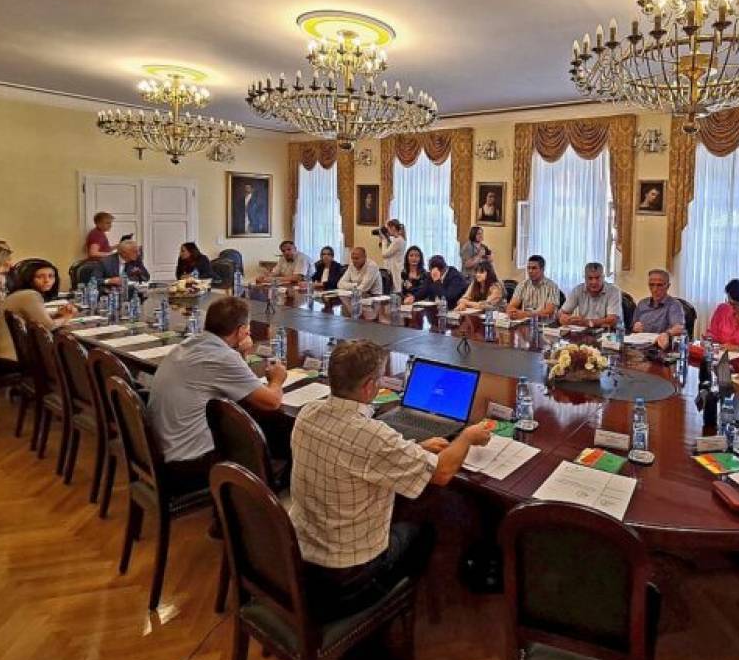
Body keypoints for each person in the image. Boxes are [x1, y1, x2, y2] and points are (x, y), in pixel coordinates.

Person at [289, 338, 492, 620]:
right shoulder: (372, 437)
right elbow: (443, 473)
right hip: (347, 579)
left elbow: (361, 455)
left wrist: (413, 450)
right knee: (424, 529)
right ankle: (390, 620)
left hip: (300, 557)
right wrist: (467, 436)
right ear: (369, 387)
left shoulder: (308, 413)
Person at [147, 297, 286, 491]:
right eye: (247, 328)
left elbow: (230, 379)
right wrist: (277, 379)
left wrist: (239, 352)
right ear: (240, 331)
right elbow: (272, 402)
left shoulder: (191, 343)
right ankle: (265, 497)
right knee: (272, 436)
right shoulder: (222, 356)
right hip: (187, 464)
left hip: (160, 450)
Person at [632, 269, 685, 349]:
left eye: (659, 285)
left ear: (668, 286)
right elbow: (633, 327)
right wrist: (635, 328)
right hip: (642, 346)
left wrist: (667, 334)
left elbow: (679, 328)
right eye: (651, 285)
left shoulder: (674, 305)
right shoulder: (642, 304)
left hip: (662, 348)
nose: (655, 289)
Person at [558, 262, 621, 329]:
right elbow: (562, 313)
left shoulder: (614, 291)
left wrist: (587, 322)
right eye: (590, 278)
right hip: (584, 331)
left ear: (603, 277)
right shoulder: (578, 290)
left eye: (597, 278)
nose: (594, 282)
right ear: (585, 278)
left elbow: (612, 321)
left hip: (609, 332)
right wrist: (564, 318)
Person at [505, 254, 560, 320]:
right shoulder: (522, 285)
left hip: (545, 323)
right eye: (528, 268)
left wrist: (526, 314)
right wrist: (513, 312)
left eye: (534, 268)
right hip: (525, 322)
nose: (530, 271)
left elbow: (548, 312)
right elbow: (511, 306)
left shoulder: (552, 287)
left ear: (542, 269)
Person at [378, 220, 407, 292]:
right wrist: (386, 239)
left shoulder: (398, 240)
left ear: (393, 227)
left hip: (395, 269)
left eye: (388, 228)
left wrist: (384, 239)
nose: (387, 231)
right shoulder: (398, 239)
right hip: (395, 268)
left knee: (395, 290)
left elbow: (384, 254)